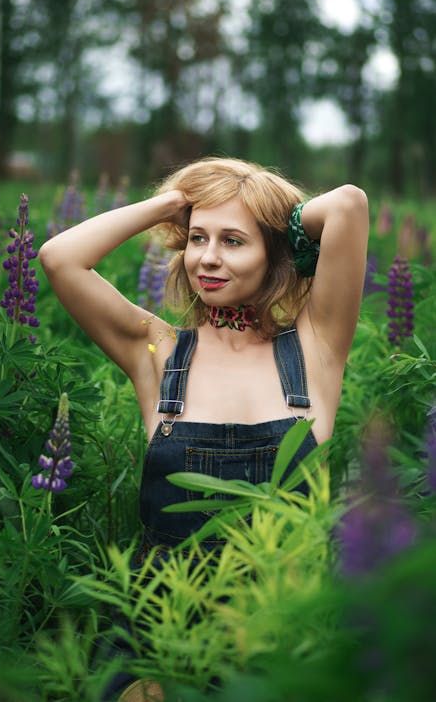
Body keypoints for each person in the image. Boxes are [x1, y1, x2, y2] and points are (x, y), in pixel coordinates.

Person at [39, 156, 369, 700]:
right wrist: (173, 203)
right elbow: (59, 258)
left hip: (279, 627)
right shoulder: (159, 352)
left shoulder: (314, 350)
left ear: (273, 254)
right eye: (197, 238)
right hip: (158, 628)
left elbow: (349, 204)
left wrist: (260, 201)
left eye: (234, 241)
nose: (208, 259)